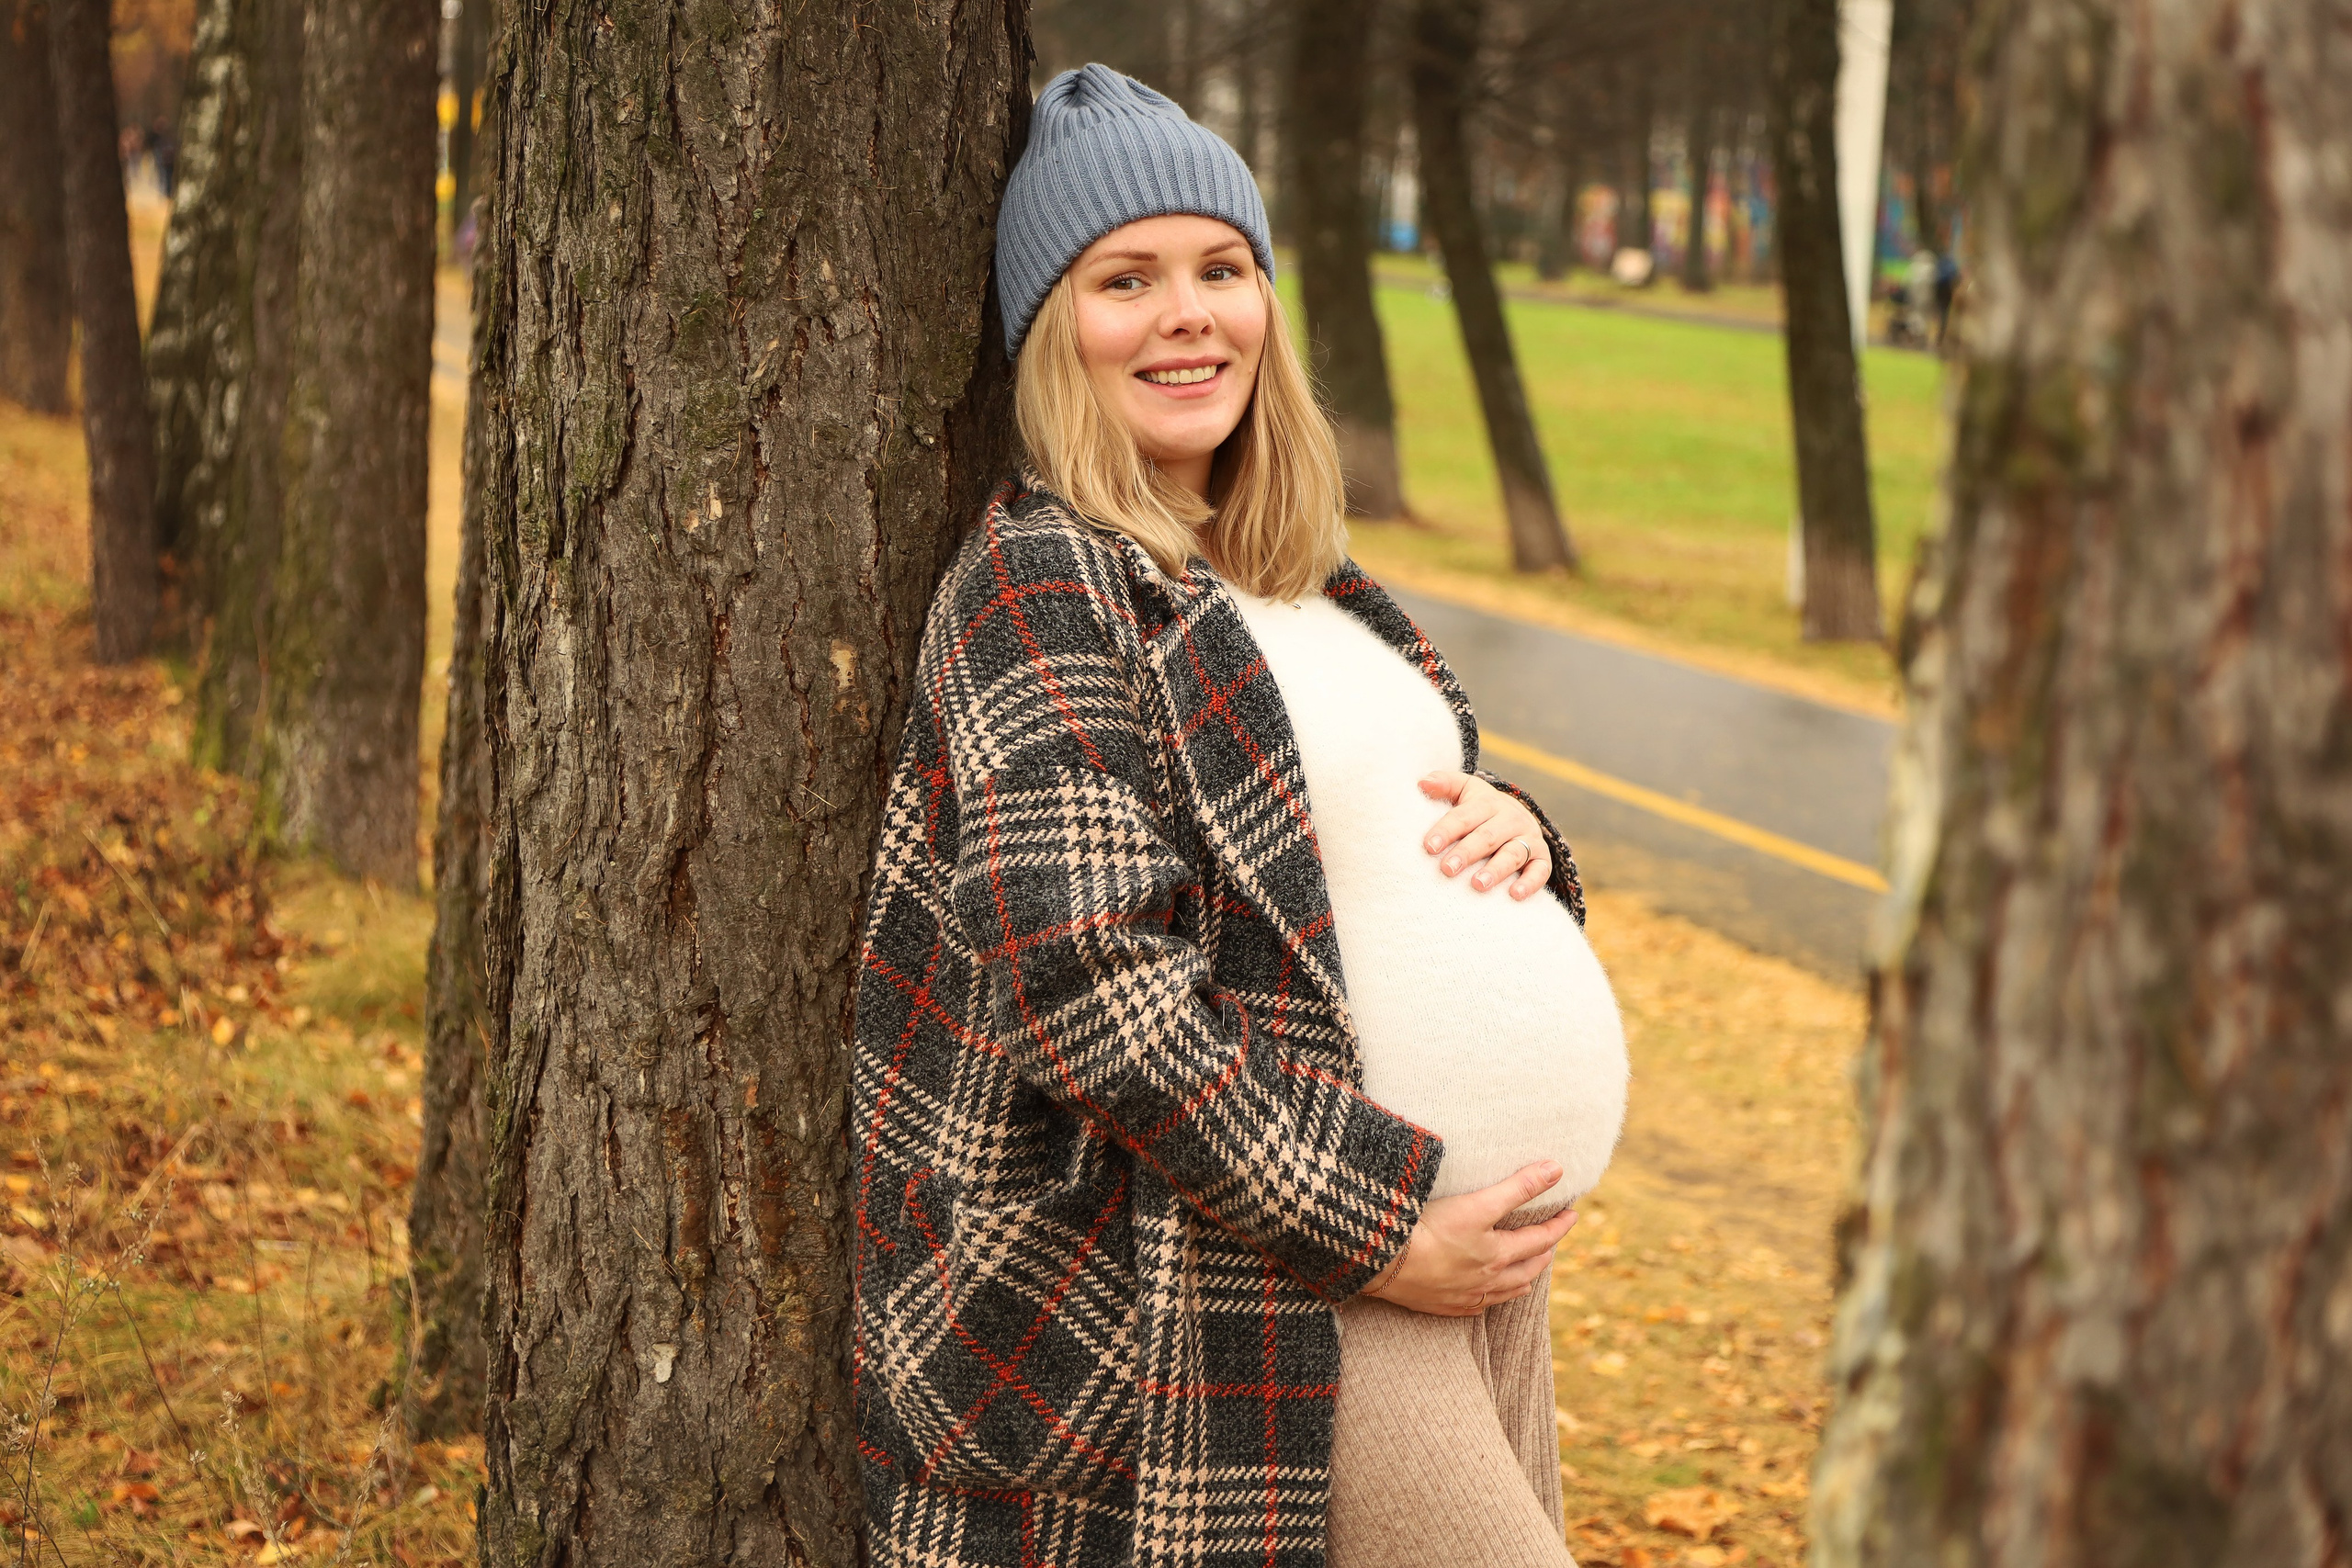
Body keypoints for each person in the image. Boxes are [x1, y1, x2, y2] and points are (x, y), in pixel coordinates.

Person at [852, 65, 1630, 1568]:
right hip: (1259, 1277)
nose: (1187, 312)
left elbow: (1362, 857)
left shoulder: (1310, 578)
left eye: (1221, 268)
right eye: (1122, 279)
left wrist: (1522, 837)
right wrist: (1387, 1230)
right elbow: (1090, 987)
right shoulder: (1043, 585)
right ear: (1046, 333)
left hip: (1472, 1252)